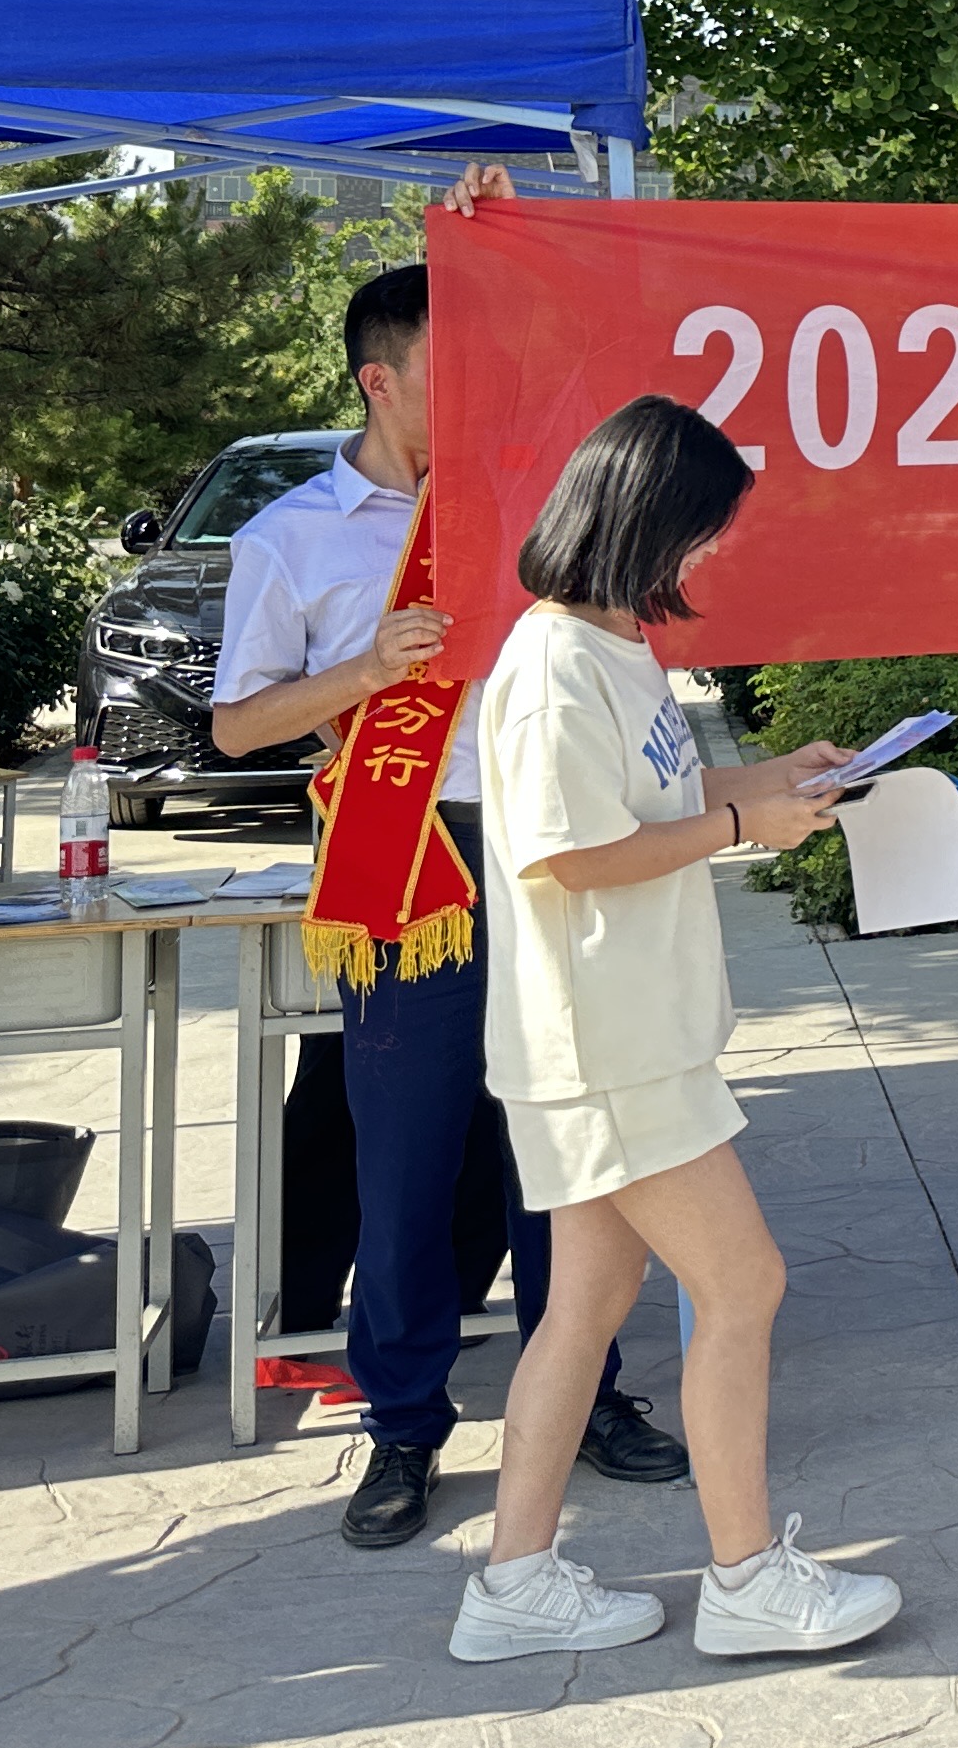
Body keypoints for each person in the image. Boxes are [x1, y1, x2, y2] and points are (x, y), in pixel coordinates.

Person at [213, 225, 690, 1547]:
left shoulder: (528, 505)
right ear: (380, 379)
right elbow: (238, 726)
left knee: (566, 1143)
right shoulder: (293, 538)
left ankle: (582, 1389)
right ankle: (405, 1422)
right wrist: (364, 672)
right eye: (447, 368)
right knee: (410, 1160)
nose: (478, 388)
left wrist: (507, 227)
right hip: (409, 864)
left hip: (552, 851)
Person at [453, 394, 891, 1663]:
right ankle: (747, 1578)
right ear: (644, 519)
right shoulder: (551, 668)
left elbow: (652, 794)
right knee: (743, 1285)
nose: (709, 552)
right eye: (702, 529)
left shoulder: (611, 647)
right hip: (605, 1045)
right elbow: (570, 855)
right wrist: (745, 828)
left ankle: (514, 1583)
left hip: (624, 1036)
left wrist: (772, 780)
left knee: (586, 1306)